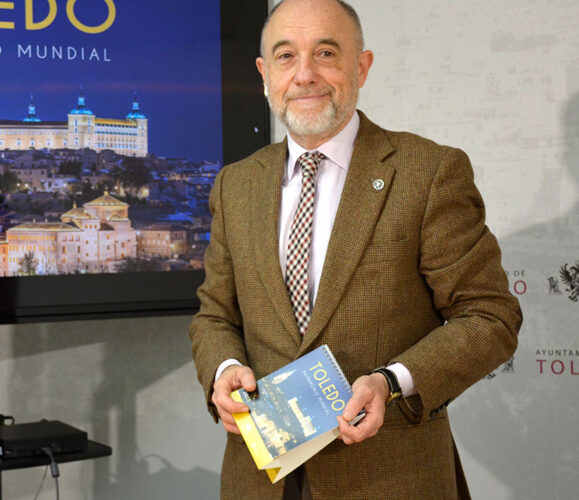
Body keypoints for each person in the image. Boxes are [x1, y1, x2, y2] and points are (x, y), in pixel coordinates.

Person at [188, 0, 522, 498]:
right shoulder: (235, 185)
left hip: (391, 478)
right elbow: (213, 316)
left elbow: (490, 316)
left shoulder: (429, 172)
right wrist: (222, 370)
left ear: (361, 66)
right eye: (285, 56)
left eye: (326, 53)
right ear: (264, 74)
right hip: (260, 480)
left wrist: (391, 381)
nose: (305, 75)